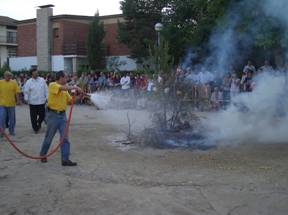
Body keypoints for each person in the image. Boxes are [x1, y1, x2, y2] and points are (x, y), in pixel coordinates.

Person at [39, 71, 83, 166]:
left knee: (65, 138)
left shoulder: (65, 91)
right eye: (65, 77)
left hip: (62, 116)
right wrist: (75, 87)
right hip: (53, 116)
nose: (67, 79)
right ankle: (43, 155)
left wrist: (80, 96)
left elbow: (71, 101)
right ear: (60, 78)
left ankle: (65, 159)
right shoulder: (52, 85)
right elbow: (62, 88)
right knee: (49, 137)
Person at [23, 68, 48, 133]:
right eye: (35, 73)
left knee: (42, 116)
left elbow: (46, 89)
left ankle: (39, 122)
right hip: (32, 102)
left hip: (41, 101)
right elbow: (26, 91)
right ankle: (35, 128)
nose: (36, 74)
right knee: (33, 117)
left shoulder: (42, 80)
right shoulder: (29, 82)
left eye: (37, 73)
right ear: (32, 74)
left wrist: (47, 97)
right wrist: (26, 99)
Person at [0, 71, 20, 136]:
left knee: (12, 119)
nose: (8, 77)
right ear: (4, 76)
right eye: (7, 76)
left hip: (11, 104)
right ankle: (2, 132)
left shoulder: (14, 82)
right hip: (2, 104)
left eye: (9, 76)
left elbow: (17, 92)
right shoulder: (1, 82)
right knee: (2, 118)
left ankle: (11, 131)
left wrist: (18, 100)